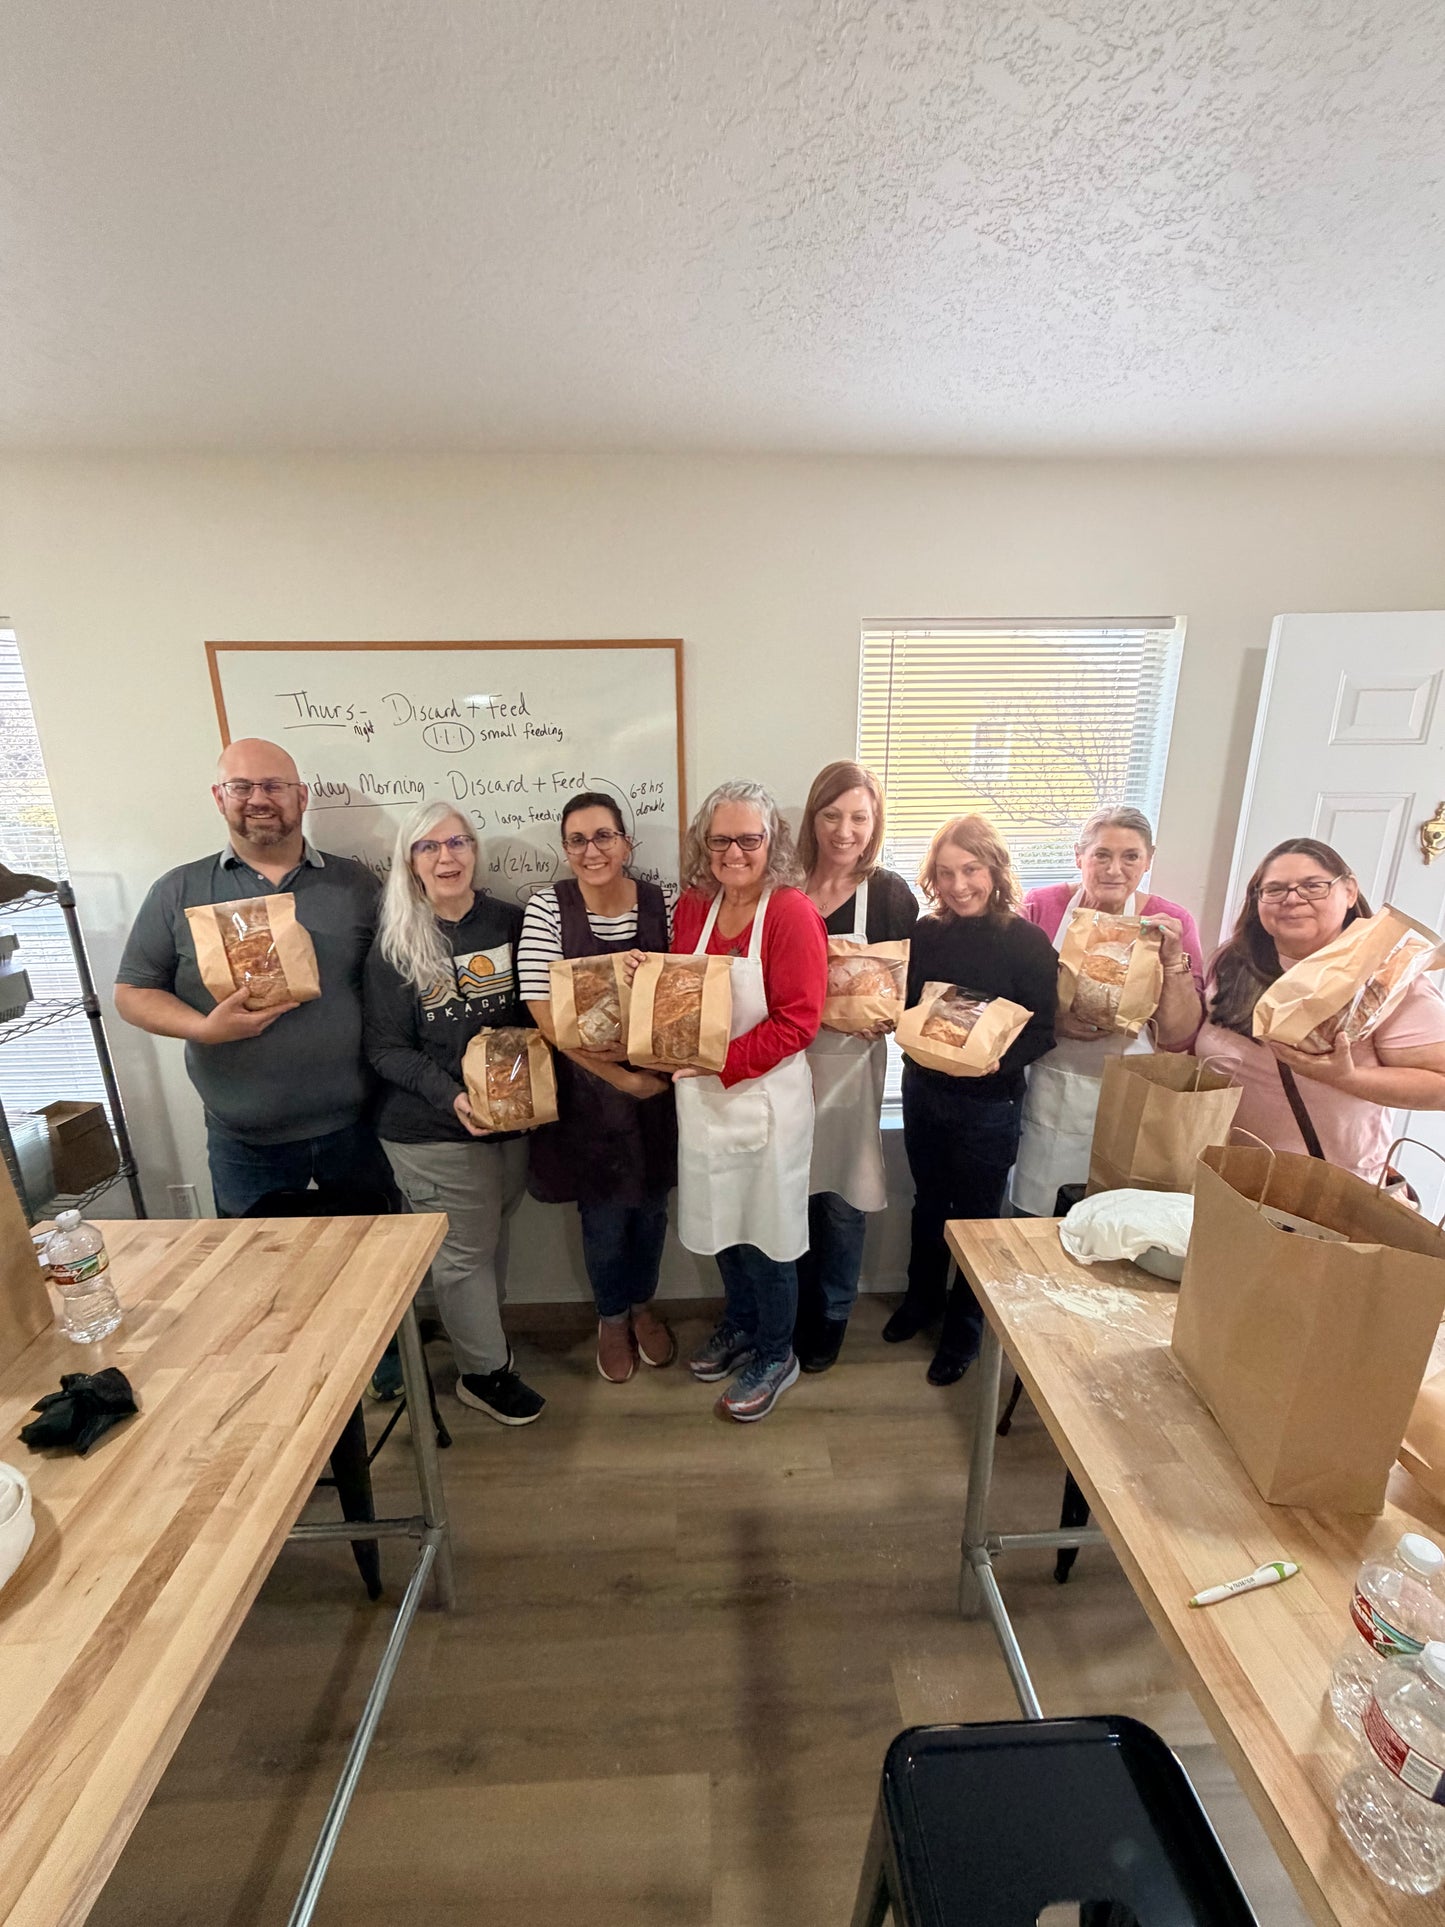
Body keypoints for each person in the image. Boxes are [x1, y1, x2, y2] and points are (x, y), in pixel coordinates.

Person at [114, 738, 394, 1216]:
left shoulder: (357, 885)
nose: (258, 799)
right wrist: (204, 1029)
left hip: (359, 1131)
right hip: (245, 1145)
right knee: (262, 1282)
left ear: (301, 798)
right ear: (219, 798)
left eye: (273, 786)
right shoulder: (178, 890)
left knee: (375, 1274)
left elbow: (394, 990)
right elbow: (132, 993)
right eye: (241, 786)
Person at [643, 780, 826, 1423]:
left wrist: (716, 1063)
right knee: (723, 1222)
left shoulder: (792, 914)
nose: (735, 852)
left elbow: (797, 1023)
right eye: (721, 839)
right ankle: (742, 1322)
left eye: (749, 839)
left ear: (771, 841)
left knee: (768, 1233)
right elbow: (686, 994)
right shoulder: (695, 906)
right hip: (703, 1102)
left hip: (766, 1103)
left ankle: (779, 1352)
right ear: (705, 843)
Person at [363, 801, 545, 1425]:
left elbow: (536, 1015)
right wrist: (454, 1098)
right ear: (410, 861)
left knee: (487, 1242)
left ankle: (481, 1341)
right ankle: (483, 1374)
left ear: (475, 852)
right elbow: (385, 1048)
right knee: (465, 1254)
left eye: (459, 843)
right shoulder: (394, 941)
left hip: (509, 1122)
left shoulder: (512, 922)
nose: (447, 857)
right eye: (430, 846)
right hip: (431, 1130)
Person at [884, 815, 1057, 1384]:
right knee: (929, 1202)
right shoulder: (925, 934)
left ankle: (966, 1328)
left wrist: (998, 1061)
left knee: (979, 1219)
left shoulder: (1028, 942)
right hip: (924, 1090)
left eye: (971, 870)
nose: (959, 885)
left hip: (991, 1103)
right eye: (947, 872)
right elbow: (904, 1004)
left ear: (996, 870)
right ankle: (922, 1299)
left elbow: (1043, 1029)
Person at [520, 791, 678, 1384]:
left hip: (658, 1095)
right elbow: (543, 1012)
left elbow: (684, 996)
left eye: (604, 836)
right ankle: (611, 1318)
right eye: (579, 840)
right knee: (604, 1217)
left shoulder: (664, 904)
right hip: (587, 1097)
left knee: (654, 1209)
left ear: (626, 842)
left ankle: (643, 1307)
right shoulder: (547, 908)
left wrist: (649, 1080)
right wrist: (622, 1080)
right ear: (565, 850)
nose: (593, 850)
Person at [1195, 837, 1445, 1179]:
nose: (1293, 899)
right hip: (1228, 1173)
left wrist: (1348, 1078)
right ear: (1258, 901)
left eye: (1313, 886)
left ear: (1350, 891)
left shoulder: (1385, 981)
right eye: (1275, 889)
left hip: (1324, 1191)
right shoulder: (1233, 962)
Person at [1010, 805, 1205, 1216]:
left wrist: (1172, 960)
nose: (1114, 869)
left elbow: (1179, 1035)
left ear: (1149, 859)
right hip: (1050, 1091)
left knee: (1112, 1225)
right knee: (1035, 1221)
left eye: (1130, 856)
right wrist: (1056, 1021)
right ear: (1079, 856)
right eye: (1101, 855)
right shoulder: (1042, 908)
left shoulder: (1171, 922)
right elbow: (1007, 1002)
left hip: (1130, 1098)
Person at [794, 760, 918, 1372]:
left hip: (853, 1070)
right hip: (784, 1066)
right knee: (788, 1192)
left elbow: (911, 991)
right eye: (833, 816)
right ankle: (789, 1307)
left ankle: (833, 1311)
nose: (846, 831)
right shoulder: (781, 890)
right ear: (813, 817)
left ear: (875, 824)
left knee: (843, 1198)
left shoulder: (891, 895)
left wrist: (892, 1016)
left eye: (860, 818)